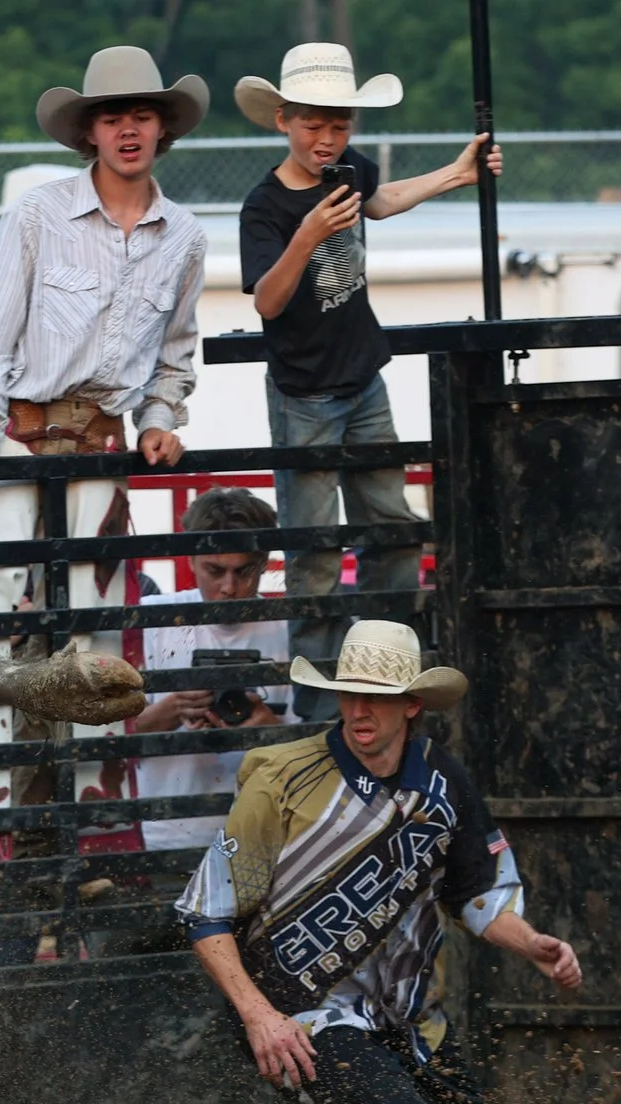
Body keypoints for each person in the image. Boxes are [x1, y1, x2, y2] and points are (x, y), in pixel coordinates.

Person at [173, 620, 581, 1104]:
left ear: (411, 704)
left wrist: (534, 944)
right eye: (349, 695)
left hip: (408, 1018)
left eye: (378, 697)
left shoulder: (445, 783)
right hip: (303, 1014)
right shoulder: (281, 783)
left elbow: (479, 893)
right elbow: (206, 913)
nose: (360, 712)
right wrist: (259, 1017)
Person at [0, 45, 209, 830]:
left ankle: (93, 825)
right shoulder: (37, 215)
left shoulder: (185, 236)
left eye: (141, 116)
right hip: (22, 436)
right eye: (113, 117)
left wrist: (160, 422)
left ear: (160, 130)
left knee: (96, 626)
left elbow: (177, 353)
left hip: (101, 442)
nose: (128, 130)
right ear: (90, 132)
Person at [233, 44, 498, 720]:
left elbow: (381, 203)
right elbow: (267, 301)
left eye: (340, 126)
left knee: (394, 529)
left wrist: (456, 176)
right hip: (306, 395)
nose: (327, 141)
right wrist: (308, 233)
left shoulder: (350, 171)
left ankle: (382, 665)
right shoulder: (264, 206)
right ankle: (319, 706)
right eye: (314, 126)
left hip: (363, 381)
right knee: (315, 551)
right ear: (283, 121)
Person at [134, 488, 290, 851]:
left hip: (261, 843)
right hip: (166, 840)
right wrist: (170, 711)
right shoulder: (150, 620)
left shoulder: (290, 629)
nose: (229, 588)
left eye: (244, 571)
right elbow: (101, 738)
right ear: (191, 560)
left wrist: (272, 734)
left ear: (264, 562)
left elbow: (323, 745)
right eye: (214, 570)